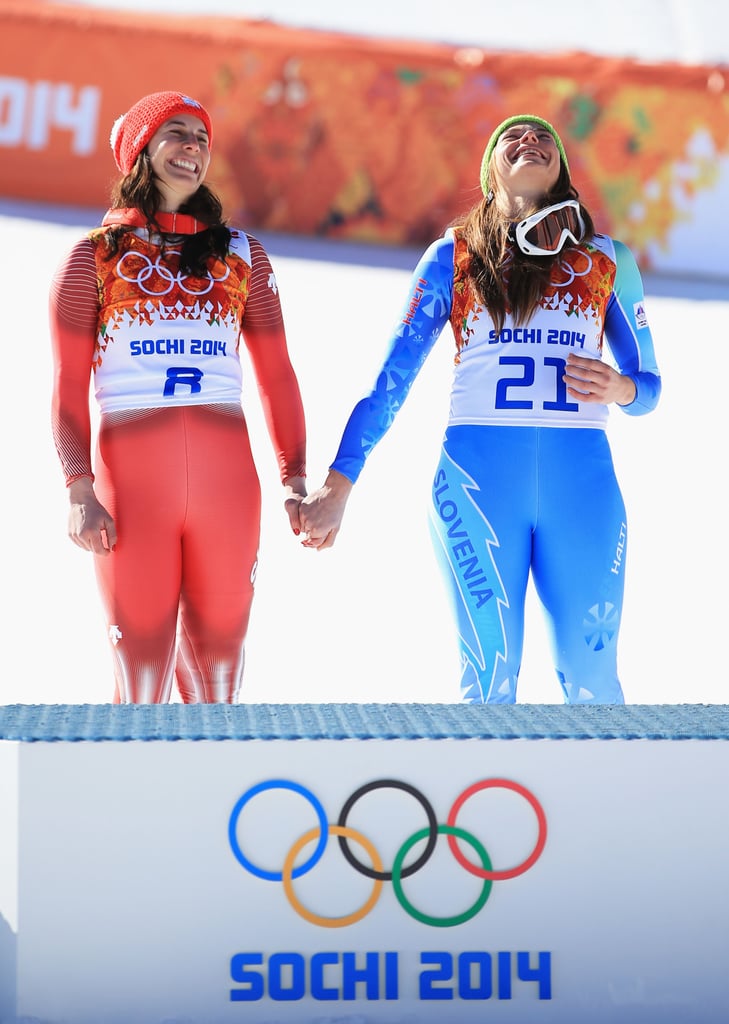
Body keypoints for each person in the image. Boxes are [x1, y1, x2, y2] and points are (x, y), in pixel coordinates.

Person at [299, 114, 661, 704]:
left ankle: (597, 795)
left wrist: (620, 388)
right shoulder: (453, 257)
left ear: (563, 173)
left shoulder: (607, 260)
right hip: (476, 488)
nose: (531, 142)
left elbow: (650, 389)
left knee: (593, 682)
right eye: (512, 138)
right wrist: (340, 484)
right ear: (491, 173)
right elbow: (390, 382)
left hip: (583, 489)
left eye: (545, 138)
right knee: (488, 682)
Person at [49, 91, 307, 704]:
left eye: (202, 137)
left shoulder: (242, 254)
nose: (193, 146)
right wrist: (78, 488)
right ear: (139, 149)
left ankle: (209, 798)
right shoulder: (93, 257)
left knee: (218, 678)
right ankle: (132, 797)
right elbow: (64, 390)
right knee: (138, 677)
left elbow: (277, 376)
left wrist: (294, 479)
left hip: (228, 489)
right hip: (131, 492)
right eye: (176, 133)